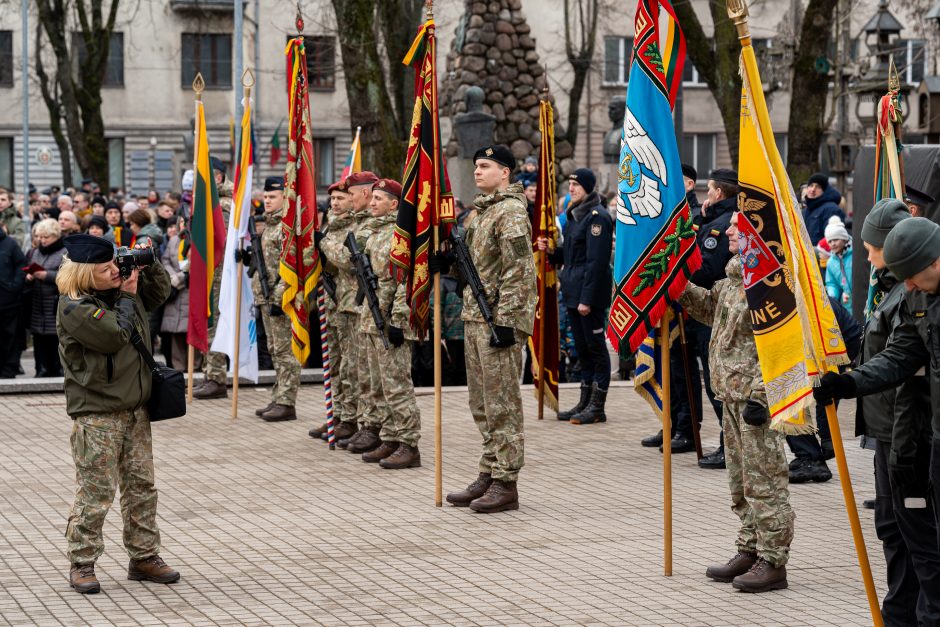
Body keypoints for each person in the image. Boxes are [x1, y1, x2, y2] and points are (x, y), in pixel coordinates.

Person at [815, 216, 940, 600]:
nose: (907, 286)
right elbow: (900, 355)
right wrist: (849, 383)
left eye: (913, 276)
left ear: (934, 261)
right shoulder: (918, 296)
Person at [56, 234, 178, 594]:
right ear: (82, 273)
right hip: (98, 413)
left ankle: (144, 556)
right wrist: (126, 294)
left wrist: (148, 263)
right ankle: (82, 561)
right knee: (96, 491)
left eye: (115, 264)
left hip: (135, 408)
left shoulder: (121, 290)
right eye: (105, 268)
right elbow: (113, 336)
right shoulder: (74, 306)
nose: (114, 271)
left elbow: (159, 295)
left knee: (142, 486)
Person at [679, 210, 794, 592]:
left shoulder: (772, 280)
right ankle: (750, 547)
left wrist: (763, 394)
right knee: (740, 482)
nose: (727, 230)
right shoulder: (732, 278)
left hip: (754, 399)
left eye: (736, 225)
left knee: (765, 481)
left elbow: (783, 343)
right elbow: (710, 309)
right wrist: (677, 286)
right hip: (730, 393)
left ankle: (773, 560)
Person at [444, 144, 536, 513]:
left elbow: (519, 274)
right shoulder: (480, 215)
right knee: (481, 402)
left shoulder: (510, 213)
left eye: (486, 166)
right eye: (476, 166)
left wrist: (506, 322)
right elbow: (477, 268)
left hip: (499, 320)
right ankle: (489, 468)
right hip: (475, 316)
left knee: (503, 403)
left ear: (505, 172)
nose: (478, 172)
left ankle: (506, 480)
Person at [642, 168, 734, 464]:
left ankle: (728, 445)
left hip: (713, 309)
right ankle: (685, 427)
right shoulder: (711, 220)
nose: (708, 194)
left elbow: (706, 269)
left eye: (712, 189)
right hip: (698, 308)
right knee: (686, 374)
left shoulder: (722, 225)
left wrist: (676, 269)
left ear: (719, 192)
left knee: (716, 382)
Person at [355, 179, 422, 468]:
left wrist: (397, 319)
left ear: (394, 204)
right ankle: (391, 437)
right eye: (372, 198)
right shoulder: (374, 233)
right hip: (371, 318)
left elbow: (404, 280)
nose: (372, 202)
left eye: (379, 199)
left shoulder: (399, 233)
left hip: (391, 321)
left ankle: (409, 443)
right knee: (380, 384)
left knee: (397, 384)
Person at [541, 167, 613, 425]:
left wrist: (587, 299)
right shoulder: (574, 215)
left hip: (588, 294)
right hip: (573, 290)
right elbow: (572, 256)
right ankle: (584, 400)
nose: (571, 189)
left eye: (577, 185)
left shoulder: (597, 217)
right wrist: (552, 252)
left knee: (595, 349)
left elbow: (596, 262)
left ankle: (598, 404)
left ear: (589, 188)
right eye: (570, 184)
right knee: (582, 349)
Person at [248, 177, 301, 422]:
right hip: (266, 297)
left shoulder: (286, 227)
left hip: (281, 298)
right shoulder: (269, 226)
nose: (267, 201)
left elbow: (291, 266)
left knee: (284, 351)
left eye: (273, 197)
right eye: (266, 197)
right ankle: (278, 395)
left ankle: (287, 401)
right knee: (273, 349)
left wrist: (280, 298)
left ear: (284, 198)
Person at [310, 178, 358, 441]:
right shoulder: (331, 227)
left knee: (350, 366)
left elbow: (346, 260)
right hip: (331, 302)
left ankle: (350, 418)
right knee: (335, 365)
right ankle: (338, 414)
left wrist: (322, 243)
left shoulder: (354, 226)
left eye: (341, 198)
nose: (335, 203)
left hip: (348, 303)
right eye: (333, 199)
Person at [192, 156, 234, 400]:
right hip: (207, 270)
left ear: (217, 177)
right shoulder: (205, 202)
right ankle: (209, 372)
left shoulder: (224, 204)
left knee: (215, 322)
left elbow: (221, 239)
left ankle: (217, 376)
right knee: (206, 321)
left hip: (220, 272)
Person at [27, 219, 66, 377]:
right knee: (39, 339)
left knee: (54, 339)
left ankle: (57, 370)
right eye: (40, 237)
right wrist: (29, 276)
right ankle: (40, 369)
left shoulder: (64, 252)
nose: (42, 241)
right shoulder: (36, 251)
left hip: (54, 303)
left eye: (46, 237)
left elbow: (67, 276)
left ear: (56, 236)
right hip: (38, 304)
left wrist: (46, 275)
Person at [0, 217, 26, 378]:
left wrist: (14, 286)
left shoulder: (10, 244)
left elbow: (21, 265)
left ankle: (9, 369)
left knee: (10, 338)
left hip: (8, 302)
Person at [802, 173, 845, 244]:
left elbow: (832, 240)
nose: (813, 189)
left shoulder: (831, 209)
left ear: (824, 191)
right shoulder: (806, 210)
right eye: (811, 185)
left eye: (818, 187)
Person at [824, 216, 852, 313]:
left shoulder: (855, 254)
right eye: (830, 241)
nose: (833, 244)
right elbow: (832, 283)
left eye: (836, 239)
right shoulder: (831, 263)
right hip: (847, 305)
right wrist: (833, 297)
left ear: (844, 238)